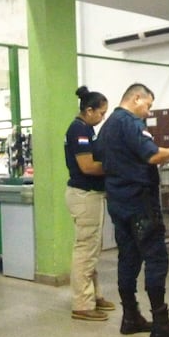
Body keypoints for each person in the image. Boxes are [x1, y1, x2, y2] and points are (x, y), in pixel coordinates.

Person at [95, 83, 169, 337]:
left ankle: (130, 317)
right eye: (148, 105)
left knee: (128, 258)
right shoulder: (129, 122)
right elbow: (152, 156)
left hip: (118, 201)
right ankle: (161, 324)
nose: (149, 111)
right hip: (140, 202)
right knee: (155, 258)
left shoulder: (106, 127)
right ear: (136, 98)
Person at [65, 86, 113, 321]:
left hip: (91, 196)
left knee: (92, 248)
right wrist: (115, 166)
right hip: (84, 195)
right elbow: (87, 166)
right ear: (89, 110)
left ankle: (93, 295)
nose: (102, 117)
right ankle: (82, 304)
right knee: (85, 250)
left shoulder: (86, 129)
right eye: (101, 113)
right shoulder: (78, 130)